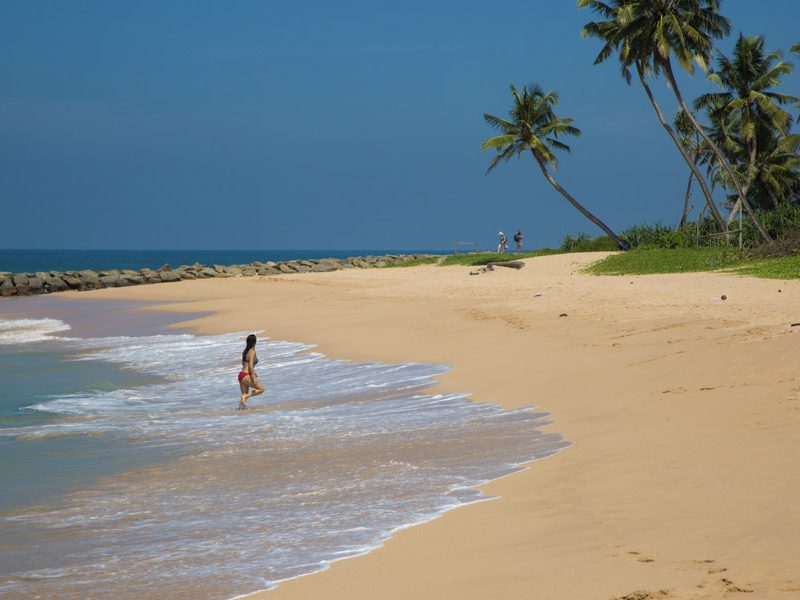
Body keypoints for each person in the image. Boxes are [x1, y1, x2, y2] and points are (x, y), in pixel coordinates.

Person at [237, 333, 265, 409]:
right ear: (255, 342)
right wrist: (253, 376)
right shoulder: (252, 351)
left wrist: (252, 373)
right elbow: (251, 365)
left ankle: (241, 413)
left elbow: (243, 364)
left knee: (243, 401)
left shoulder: (245, 351)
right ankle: (245, 396)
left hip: (241, 375)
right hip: (246, 375)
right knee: (261, 389)